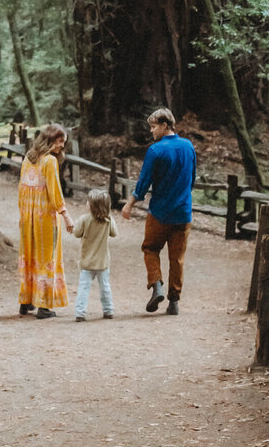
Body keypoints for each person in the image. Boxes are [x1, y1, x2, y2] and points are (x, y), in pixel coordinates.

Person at [121, 107, 197, 315]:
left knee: (150, 248)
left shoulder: (155, 150)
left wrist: (129, 204)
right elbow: (191, 179)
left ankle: (156, 285)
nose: (152, 131)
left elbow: (143, 182)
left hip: (160, 213)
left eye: (154, 127)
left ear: (165, 125)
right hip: (183, 212)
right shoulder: (188, 147)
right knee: (177, 258)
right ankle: (174, 302)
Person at [18, 123, 74, 318]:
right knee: (46, 257)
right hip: (44, 218)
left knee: (30, 255)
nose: (61, 147)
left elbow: (22, 188)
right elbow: (54, 192)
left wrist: (24, 212)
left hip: (27, 217)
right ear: (50, 140)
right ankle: (43, 306)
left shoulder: (28, 158)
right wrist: (65, 215)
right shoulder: (49, 162)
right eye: (60, 142)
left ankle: (26, 302)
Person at [71, 188, 117, 321]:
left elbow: (76, 233)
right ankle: (108, 310)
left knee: (83, 288)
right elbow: (114, 233)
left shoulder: (84, 219)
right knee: (105, 287)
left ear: (92, 206)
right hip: (103, 262)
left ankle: (80, 312)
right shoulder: (108, 220)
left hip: (87, 262)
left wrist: (73, 227)